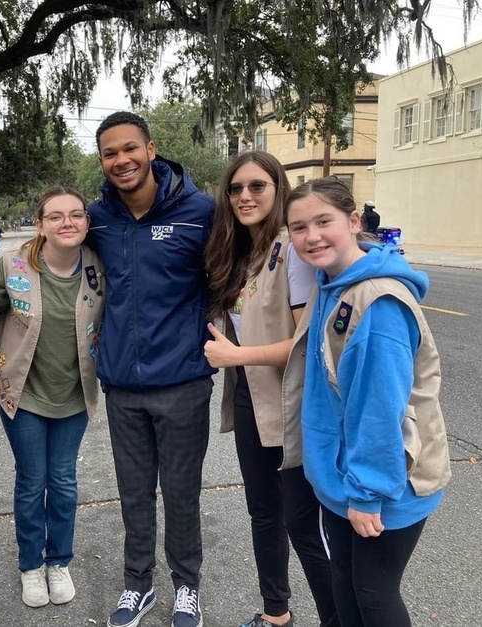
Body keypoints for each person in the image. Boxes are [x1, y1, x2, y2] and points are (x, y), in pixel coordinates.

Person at [283, 178, 450, 626]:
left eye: (324, 221)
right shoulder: (332, 284)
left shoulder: (375, 302)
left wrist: (368, 492)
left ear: (353, 222)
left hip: (382, 485)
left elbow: (380, 409)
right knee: (347, 586)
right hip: (342, 476)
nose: (311, 236)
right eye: (298, 227)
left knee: (374, 597)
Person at [86, 111, 216, 627]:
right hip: (122, 385)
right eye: (110, 153)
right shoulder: (97, 217)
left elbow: (236, 274)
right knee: (133, 493)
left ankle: (187, 587)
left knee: (182, 492)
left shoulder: (200, 211)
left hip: (183, 381)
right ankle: (136, 584)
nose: (121, 160)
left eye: (129, 149)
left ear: (151, 149)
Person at [202, 152, 337, 627]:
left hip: (290, 405)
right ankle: (275, 612)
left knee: (304, 525)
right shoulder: (243, 252)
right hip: (249, 401)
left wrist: (235, 357)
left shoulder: (291, 251)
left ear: (278, 189)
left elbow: (305, 344)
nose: (244, 196)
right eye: (236, 189)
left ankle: (337, 618)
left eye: (257, 186)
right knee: (263, 513)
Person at [0, 187, 104, 608]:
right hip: (23, 394)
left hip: (74, 394)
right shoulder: (12, 265)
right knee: (32, 481)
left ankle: (59, 561)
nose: (66, 222)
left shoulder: (98, 267)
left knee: (64, 481)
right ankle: (30, 566)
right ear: (40, 224)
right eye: (55, 216)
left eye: (76, 214)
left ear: (87, 222)